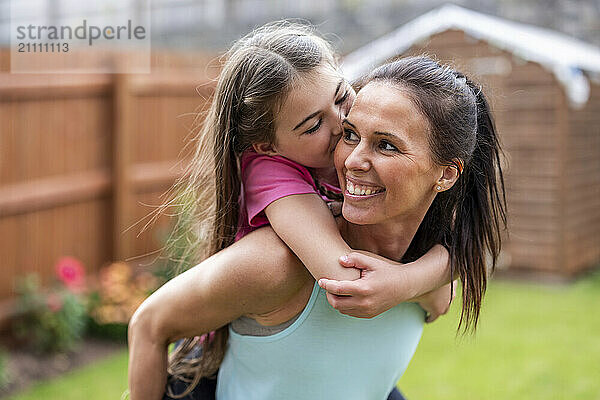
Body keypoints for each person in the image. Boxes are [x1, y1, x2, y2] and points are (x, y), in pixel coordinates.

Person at [128, 53, 506, 399]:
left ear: (446, 175)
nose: (353, 159)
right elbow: (148, 323)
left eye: (386, 145)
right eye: (351, 135)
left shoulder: (430, 268)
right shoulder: (276, 261)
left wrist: (411, 281)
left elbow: (473, 253)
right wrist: (416, 285)